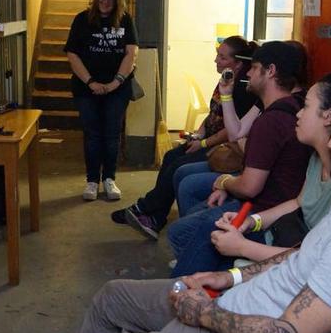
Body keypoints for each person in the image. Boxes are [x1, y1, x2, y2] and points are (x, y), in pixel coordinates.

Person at [48, 81, 331, 333]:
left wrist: (205, 314)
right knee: (112, 297)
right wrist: (228, 277)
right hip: (227, 304)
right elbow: (298, 257)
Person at [127, 41, 312, 246]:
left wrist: (225, 180)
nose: (249, 73)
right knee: (180, 168)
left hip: (260, 199)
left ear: (271, 71)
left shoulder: (277, 116)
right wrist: (226, 95)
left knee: (185, 190)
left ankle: (185, 242)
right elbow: (237, 134)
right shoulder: (270, 103)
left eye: (254, 67)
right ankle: (160, 222)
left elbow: (251, 184)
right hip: (250, 178)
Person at [209, 72, 331, 265]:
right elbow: (298, 202)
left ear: (329, 116)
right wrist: (252, 221)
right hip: (286, 241)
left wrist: (242, 247)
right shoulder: (316, 158)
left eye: (305, 106)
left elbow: (315, 259)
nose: (298, 113)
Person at [110, 36, 257, 231]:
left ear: (238, 63)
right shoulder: (227, 80)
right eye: (217, 55)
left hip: (223, 147)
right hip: (208, 139)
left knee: (179, 166)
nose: (216, 61)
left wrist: (203, 144)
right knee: (171, 156)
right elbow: (214, 113)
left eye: (222, 57)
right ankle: (154, 216)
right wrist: (198, 134)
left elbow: (231, 131)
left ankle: (146, 210)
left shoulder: (242, 89)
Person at [65, 0, 138, 201]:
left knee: (112, 134)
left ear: (118, 2)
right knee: (92, 135)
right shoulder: (81, 20)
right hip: (86, 88)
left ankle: (109, 179)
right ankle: (91, 181)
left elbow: (131, 53)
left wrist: (116, 82)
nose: (105, 2)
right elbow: (72, 54)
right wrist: (91, 82)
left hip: (117, 88)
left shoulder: (125, 20)